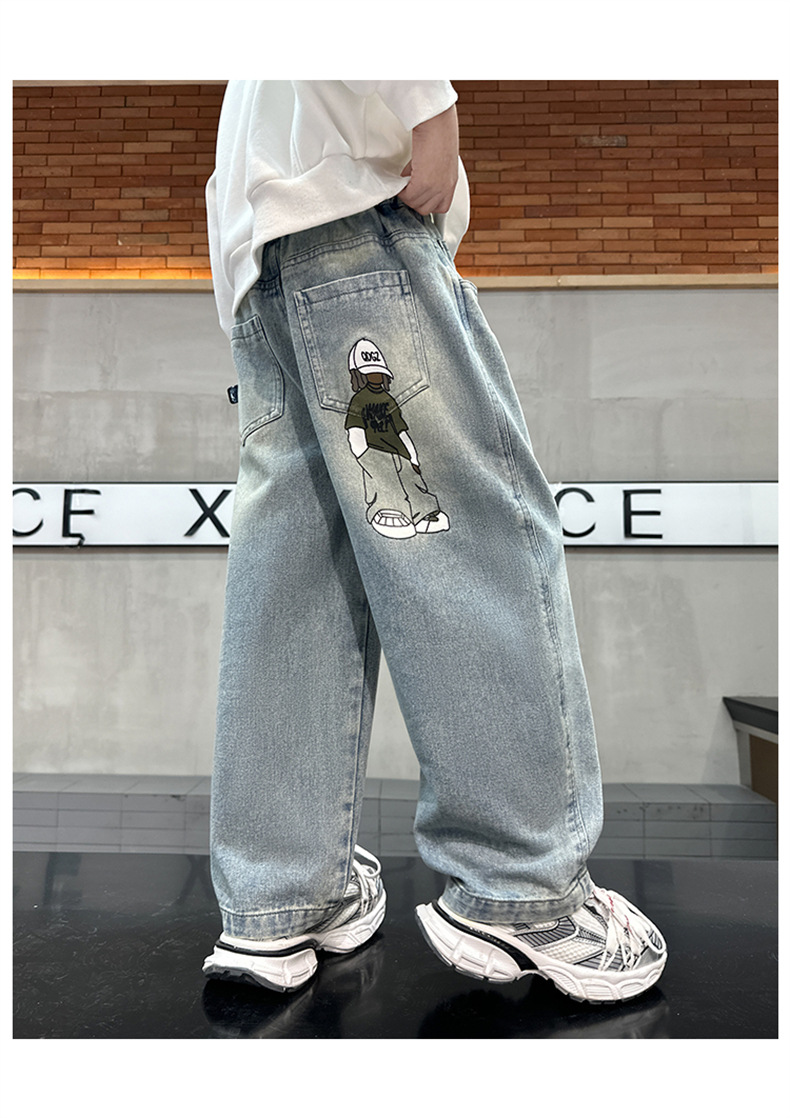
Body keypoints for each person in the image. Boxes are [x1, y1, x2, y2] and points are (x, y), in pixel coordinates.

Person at [201, 80, 667, 1004]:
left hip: (262, 262)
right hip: (358, 224)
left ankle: (277, 898)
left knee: (297, 581)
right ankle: (522, 889)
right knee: (478, 544)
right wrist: (432, 108)